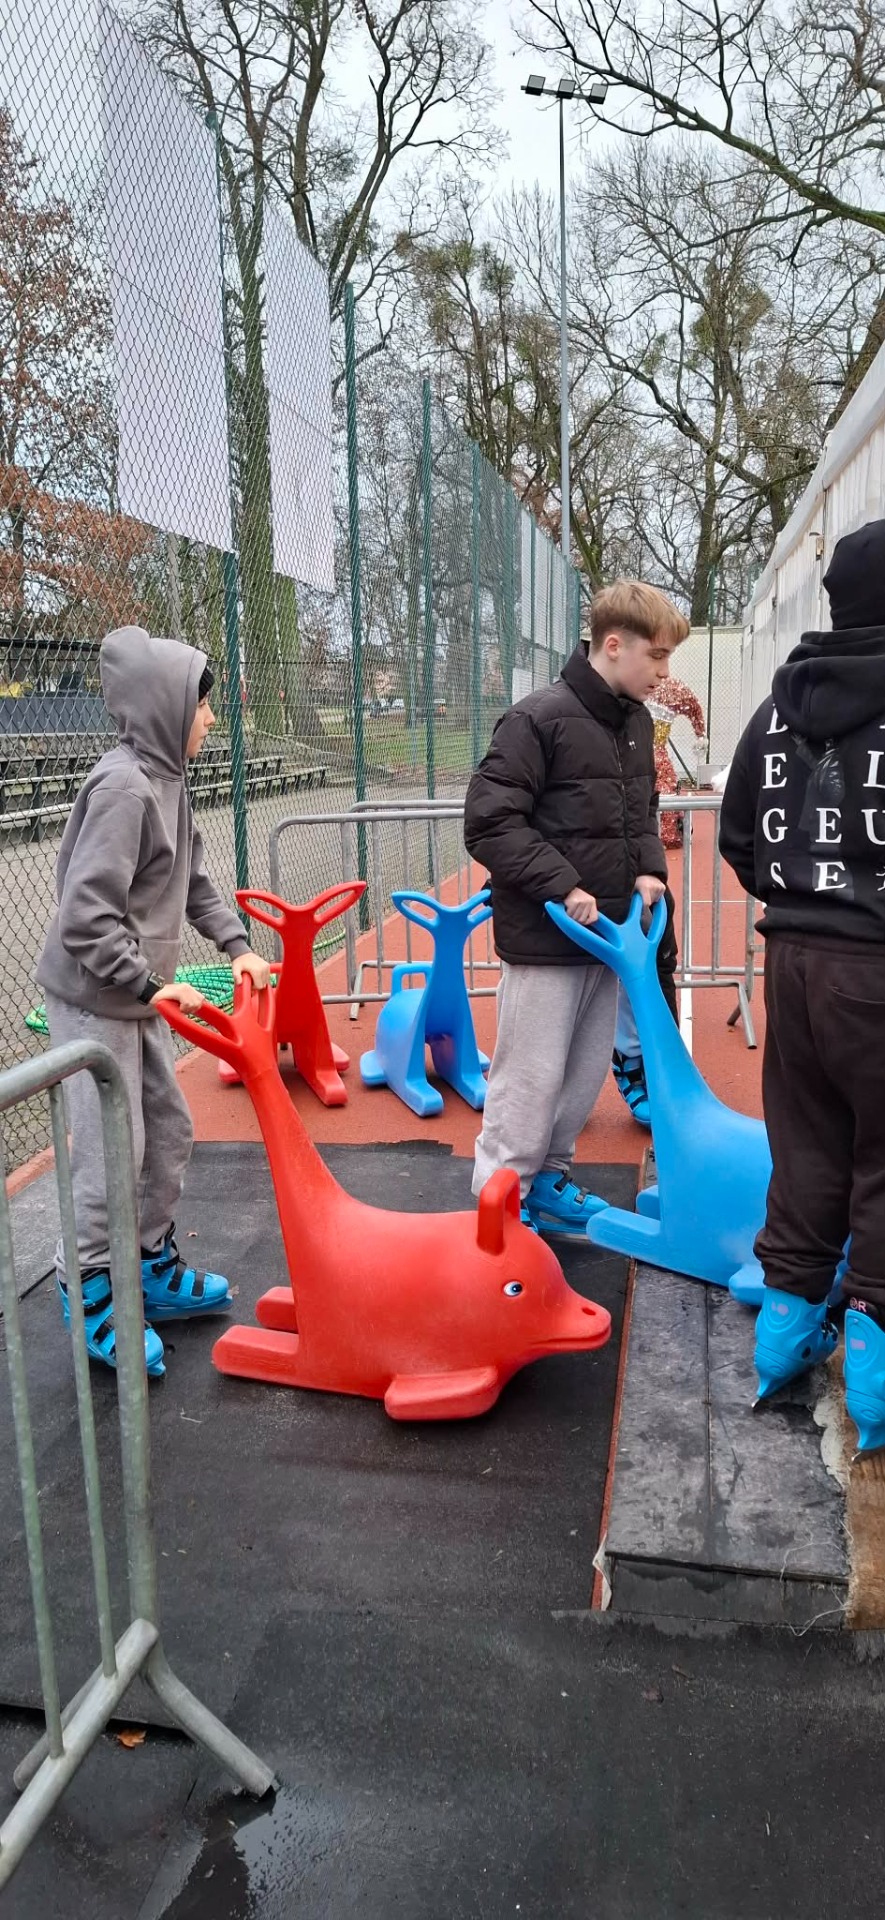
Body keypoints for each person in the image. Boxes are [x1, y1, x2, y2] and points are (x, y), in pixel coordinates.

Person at [37, 626, 272, 1380]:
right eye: (202, 706)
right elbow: (85, 918)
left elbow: (192, 879)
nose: (210, 718)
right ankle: (88, 1285)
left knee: (167, 1131)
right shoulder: (123, 788)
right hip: (95, 997)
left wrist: (236, 945)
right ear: (167, 707)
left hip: (136, 996)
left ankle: (146, 1262)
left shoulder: (170, 781)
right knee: (114, 1150)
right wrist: (145, 983)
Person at [719, 519, 885, 1451]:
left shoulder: (777, 709)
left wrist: (801, 902)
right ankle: (875, 1387)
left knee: (808, 1145)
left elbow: (739, 837)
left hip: (792, 959)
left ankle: (780, 1341)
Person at [464, 579, 689, 1236]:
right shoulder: (536, 720)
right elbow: (489, 822)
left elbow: (641, 812)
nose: (663, 672)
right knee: (529, 1077)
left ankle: (547, 1179)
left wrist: (648, 869)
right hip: (546, 936)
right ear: (613, 645)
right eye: (656, 656)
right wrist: (562, 884)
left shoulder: (635, 723)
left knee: (582, 1072)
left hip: (607, 936)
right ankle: (500, 1204)